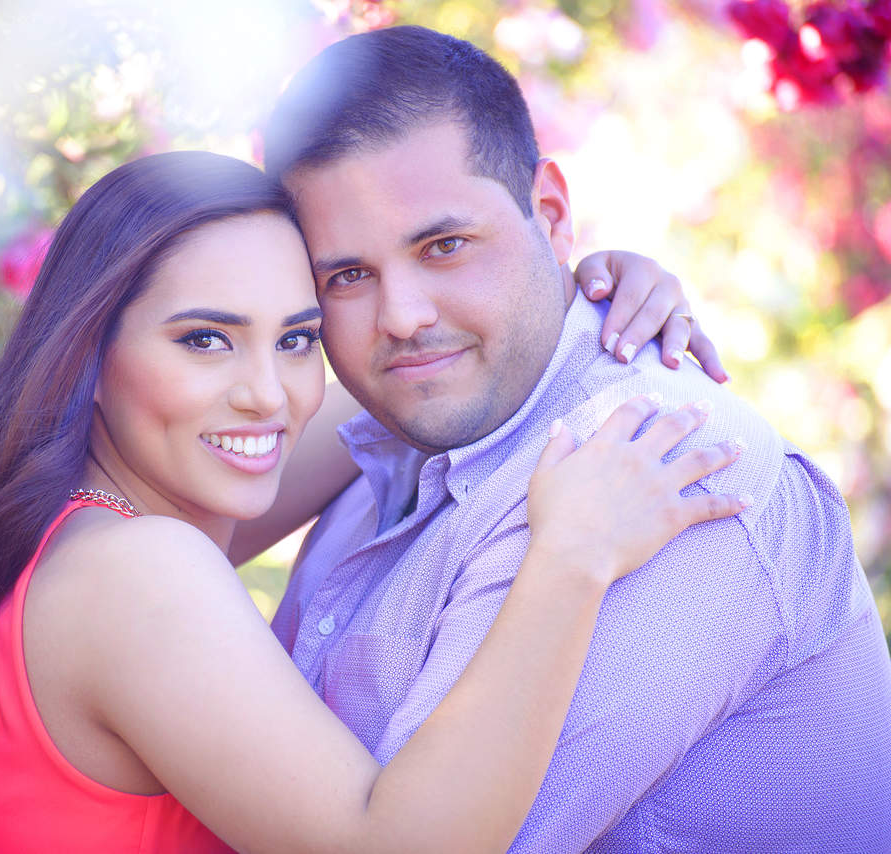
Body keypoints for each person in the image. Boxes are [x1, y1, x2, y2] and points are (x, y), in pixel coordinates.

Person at [0, 150, 747, 853]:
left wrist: (563, 295)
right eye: (206, 339)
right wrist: (570, 560)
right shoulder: (136, 570)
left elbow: (410, 389)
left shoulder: (96, 523)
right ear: (89, 354)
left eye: (298, 338)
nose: (268, 396)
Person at [261, 25, 891, 853]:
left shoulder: (658, 466)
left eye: (444, 246)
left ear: (552, 214)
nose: (402, 317)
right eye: (347, 275)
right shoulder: (394, 427)